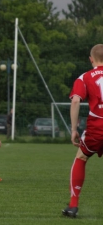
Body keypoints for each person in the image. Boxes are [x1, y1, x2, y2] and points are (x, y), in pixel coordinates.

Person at [62, 44, 103, 218]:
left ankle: (73, 206)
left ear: (91, 59)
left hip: (96, 128)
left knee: (81, 157)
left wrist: (73, 130)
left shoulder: (84, 77)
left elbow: (76, 101)